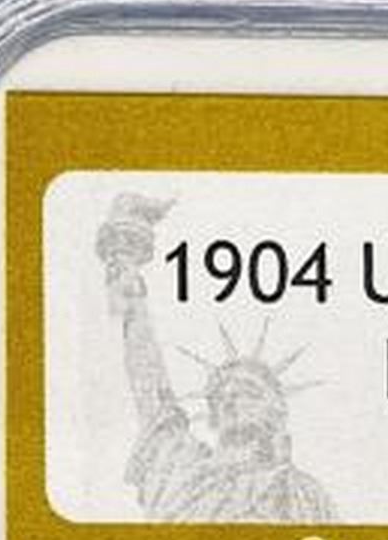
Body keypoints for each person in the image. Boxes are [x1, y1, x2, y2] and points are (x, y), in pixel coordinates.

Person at [95, 193, 334, 521]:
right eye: (221, 396)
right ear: (212, 415)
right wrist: (125, 267)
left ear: (277, 410)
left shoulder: (303, 495)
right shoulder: (180, 465)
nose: (232, 399)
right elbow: (150, 386)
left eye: (249, 391)